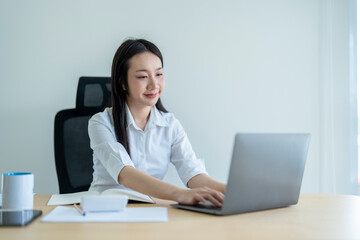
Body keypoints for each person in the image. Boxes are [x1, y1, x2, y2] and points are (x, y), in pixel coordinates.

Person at [88, 39, 226, 206]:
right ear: (122, 82)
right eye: (143, 76)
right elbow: (125, 174)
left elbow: (193, 173)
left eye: (159, 74)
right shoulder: (101, 123)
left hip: (150, 210)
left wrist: (233, 191)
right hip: (105, 213)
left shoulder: (170, 124)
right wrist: (180, 194)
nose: (154, 84)